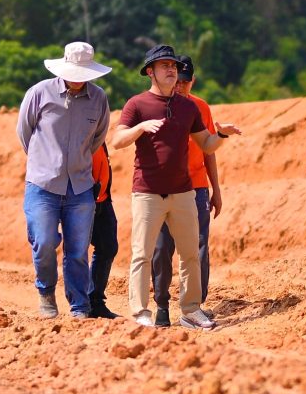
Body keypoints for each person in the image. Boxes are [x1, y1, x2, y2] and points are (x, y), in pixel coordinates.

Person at [111, 44, 238, 331]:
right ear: (150, 72)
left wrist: (221, 135)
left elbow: (206, 145)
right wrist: (140, 128)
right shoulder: (137, 104)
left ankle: (191, 311)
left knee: (191, 254)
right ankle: (141, 312)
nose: (171, 70)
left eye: (173, 65)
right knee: (143, 254)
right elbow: (117, 141)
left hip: (183, 193)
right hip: (147, 192)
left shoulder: (188, 107)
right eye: (164, 65)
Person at [16, 41, 112, 319]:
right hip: (43, 184)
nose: (78, 79)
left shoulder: (98, 98)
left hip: (80, 186)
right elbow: (24, 132)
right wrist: (45, 161)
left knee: (78, 250)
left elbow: (97, 138)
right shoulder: (39, 93)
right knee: (44, 242)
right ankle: (46, 291)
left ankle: (79, 305)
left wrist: (77, 162)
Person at [150, 55, 240, 326]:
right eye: (178, 80)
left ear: (193, 81)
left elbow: (209, 150)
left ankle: (194, 306)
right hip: (165, 188)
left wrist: (216, 190)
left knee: (198, 247)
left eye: (186, 82)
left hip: (197, 187)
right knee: (162, 248)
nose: (180, 86)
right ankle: (161, 305)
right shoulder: (156, 106)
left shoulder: (200, 107)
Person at [88, 143, 120, 319]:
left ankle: (95, 302)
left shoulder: (97, 130)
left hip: (102, 198)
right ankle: (80, 304)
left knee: (108, 247)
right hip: (80, 198)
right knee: (76, 250)